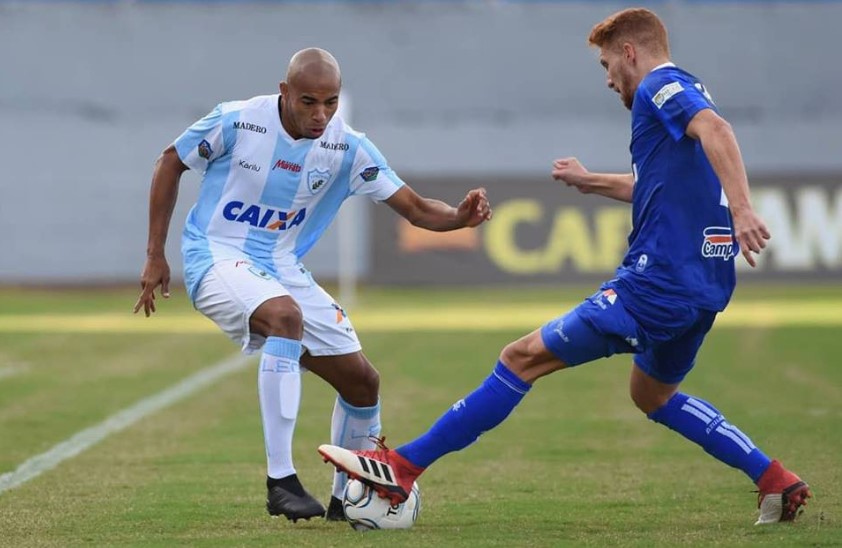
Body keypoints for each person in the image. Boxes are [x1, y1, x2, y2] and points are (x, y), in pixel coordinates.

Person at [318, 8, 811, 526]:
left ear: (629, 52)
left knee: (520, 358)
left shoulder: (659, 86)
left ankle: (401, 469)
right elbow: (659, 184)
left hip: (655, 284)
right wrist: (591, 180)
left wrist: (743, 208)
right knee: (653, 394)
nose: (607, 80)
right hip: (704, 285)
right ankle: (774, 479)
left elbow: (717, 130)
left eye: (606, 64)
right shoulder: (676, 105)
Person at [133, 47, 492, 523]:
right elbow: (169, 162)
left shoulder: (348, 146)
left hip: (280, 266)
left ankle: (349, 500)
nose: (321, 115)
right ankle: (280, 480)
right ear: (284, 93)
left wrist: (459, 218)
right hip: (216, 254)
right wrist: (156, 253)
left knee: (362, 382)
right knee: (285, 318)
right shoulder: (237, 121)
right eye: (308, 102)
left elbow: (417, 208)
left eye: (331, 102)